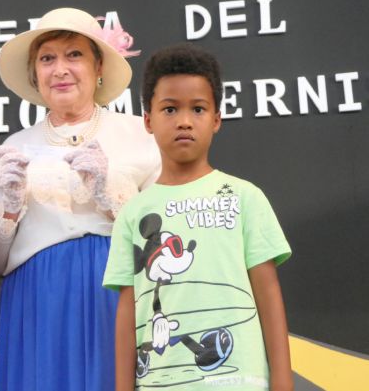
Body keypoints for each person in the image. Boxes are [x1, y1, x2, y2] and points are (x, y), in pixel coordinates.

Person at [0, 8, 161, 391]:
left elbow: (165, 237)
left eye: (74, 55)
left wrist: (107, 192)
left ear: (98, 68)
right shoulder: (14, 146)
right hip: (36, 301)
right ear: (35, 75)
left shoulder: (141, 135)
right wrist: (10, 205)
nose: (60, 69)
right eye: (47, 58)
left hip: (121, 295)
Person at [104, 44, 293, 391]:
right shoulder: (133, 212)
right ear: (148, 120)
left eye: (199, 109)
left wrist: (283, 381)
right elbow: (127, 309)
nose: (185, 121)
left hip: (241, 381)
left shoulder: (245, 197)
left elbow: (268, 292)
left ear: (217, 119)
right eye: (170, 109)